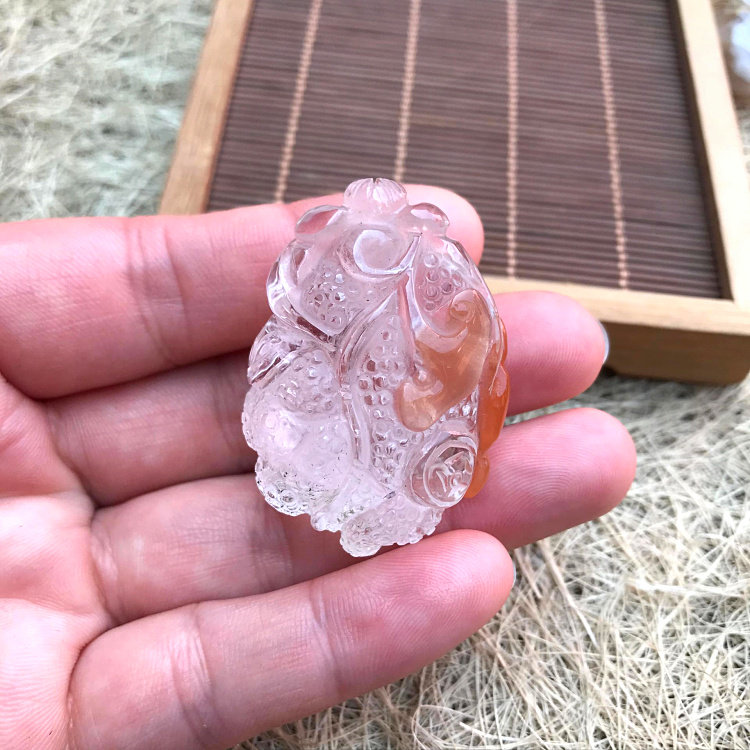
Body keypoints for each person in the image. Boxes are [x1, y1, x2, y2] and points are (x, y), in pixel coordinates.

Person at [0, 186, 636, 749]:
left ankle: (375, 490)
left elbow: (447, 373)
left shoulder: (434, 289)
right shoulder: (318, 313)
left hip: (396, 442)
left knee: (369, 448)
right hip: (333, 424)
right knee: (306, 427)